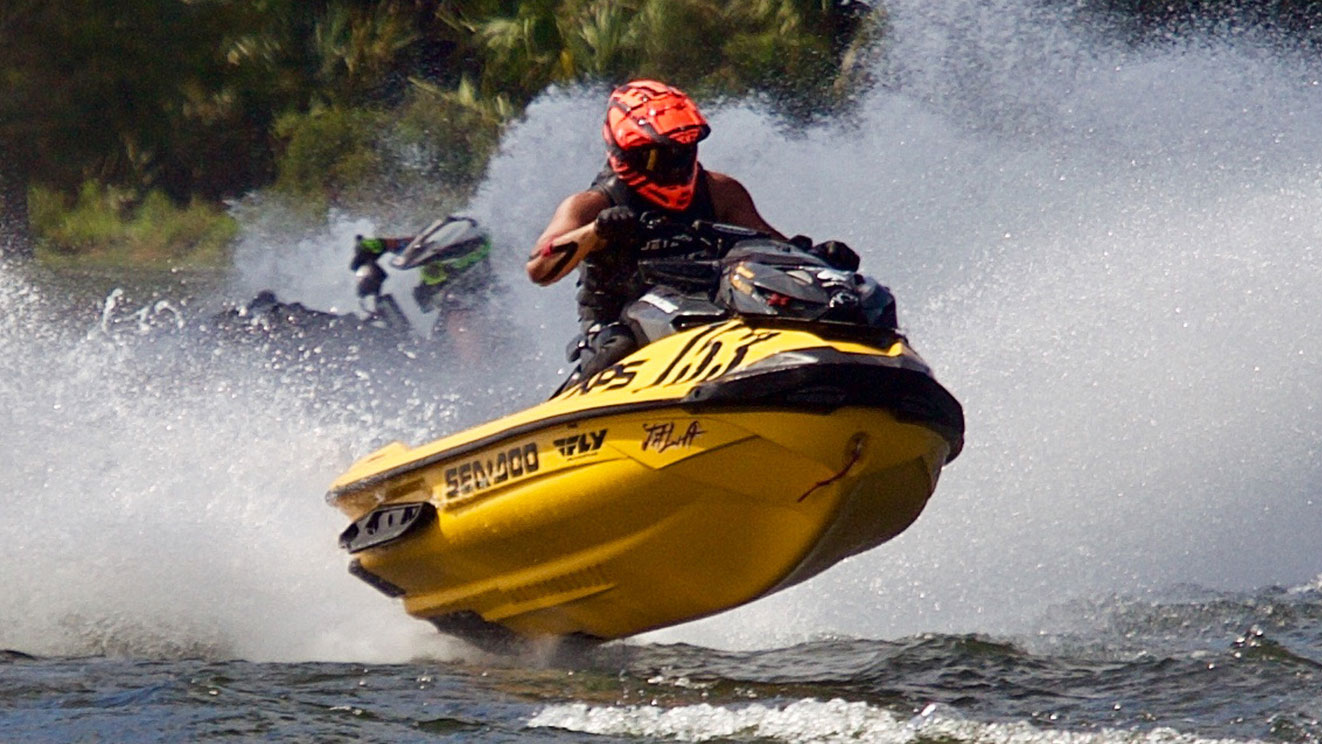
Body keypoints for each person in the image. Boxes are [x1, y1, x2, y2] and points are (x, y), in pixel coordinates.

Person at [525, 79, 784, 377]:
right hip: (621, 324)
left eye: (680, 153)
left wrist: (816, 256)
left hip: (709, 310)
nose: (672, 167)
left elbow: (770, 245)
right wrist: (595, 233)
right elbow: (538, 268)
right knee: (618, 348)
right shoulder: (591, 204)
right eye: (655, 157)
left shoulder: (721, 191)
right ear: (624, 153)